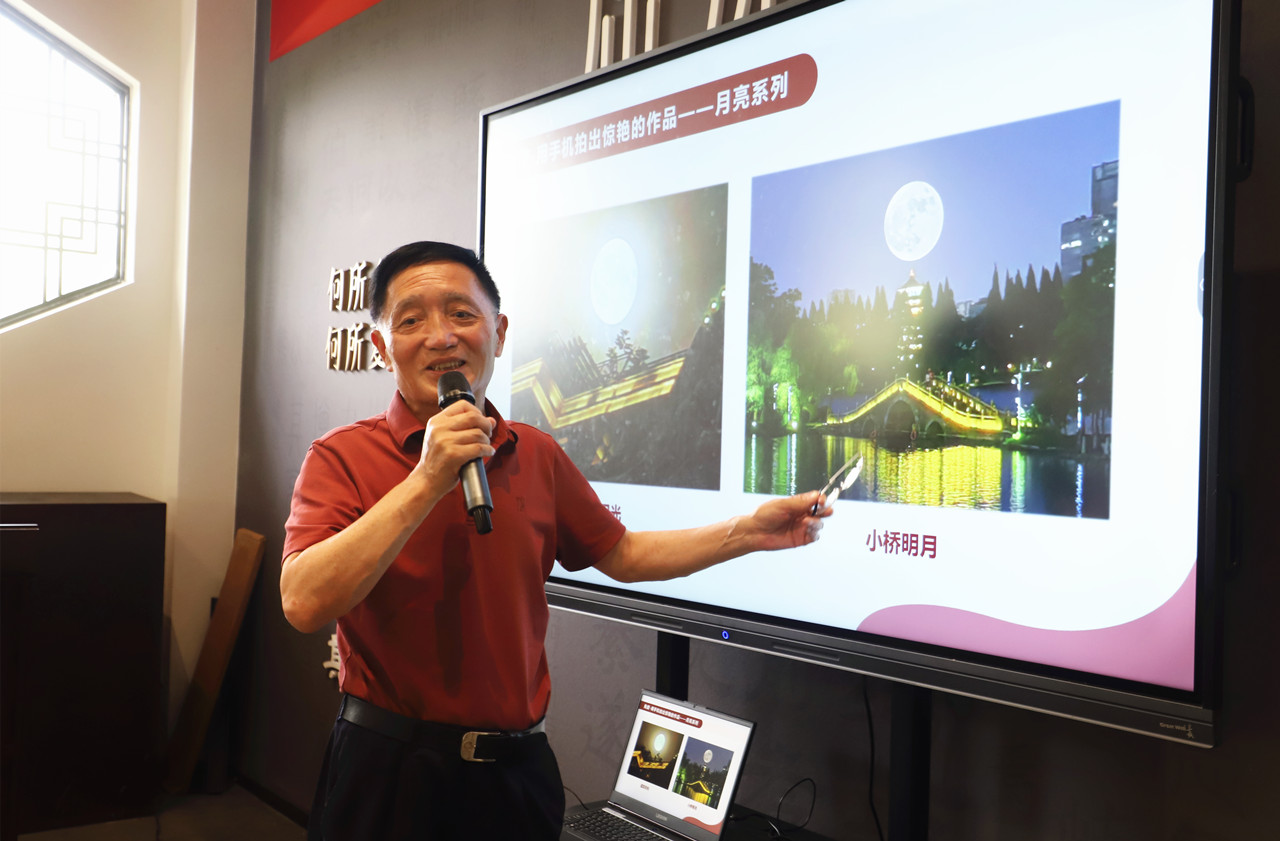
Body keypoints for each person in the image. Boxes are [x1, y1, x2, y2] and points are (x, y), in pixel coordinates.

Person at [281, 241, 832, 840]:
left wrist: (747, 531)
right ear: (381, 346)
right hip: (389, 772)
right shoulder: (340, 456)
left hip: (516, 776)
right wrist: (426, 479)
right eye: (411, 320)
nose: (441, 336)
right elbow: (304, 601)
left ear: (499, 333)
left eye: (462, 314)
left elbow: (624, 555)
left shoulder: (537, 454)